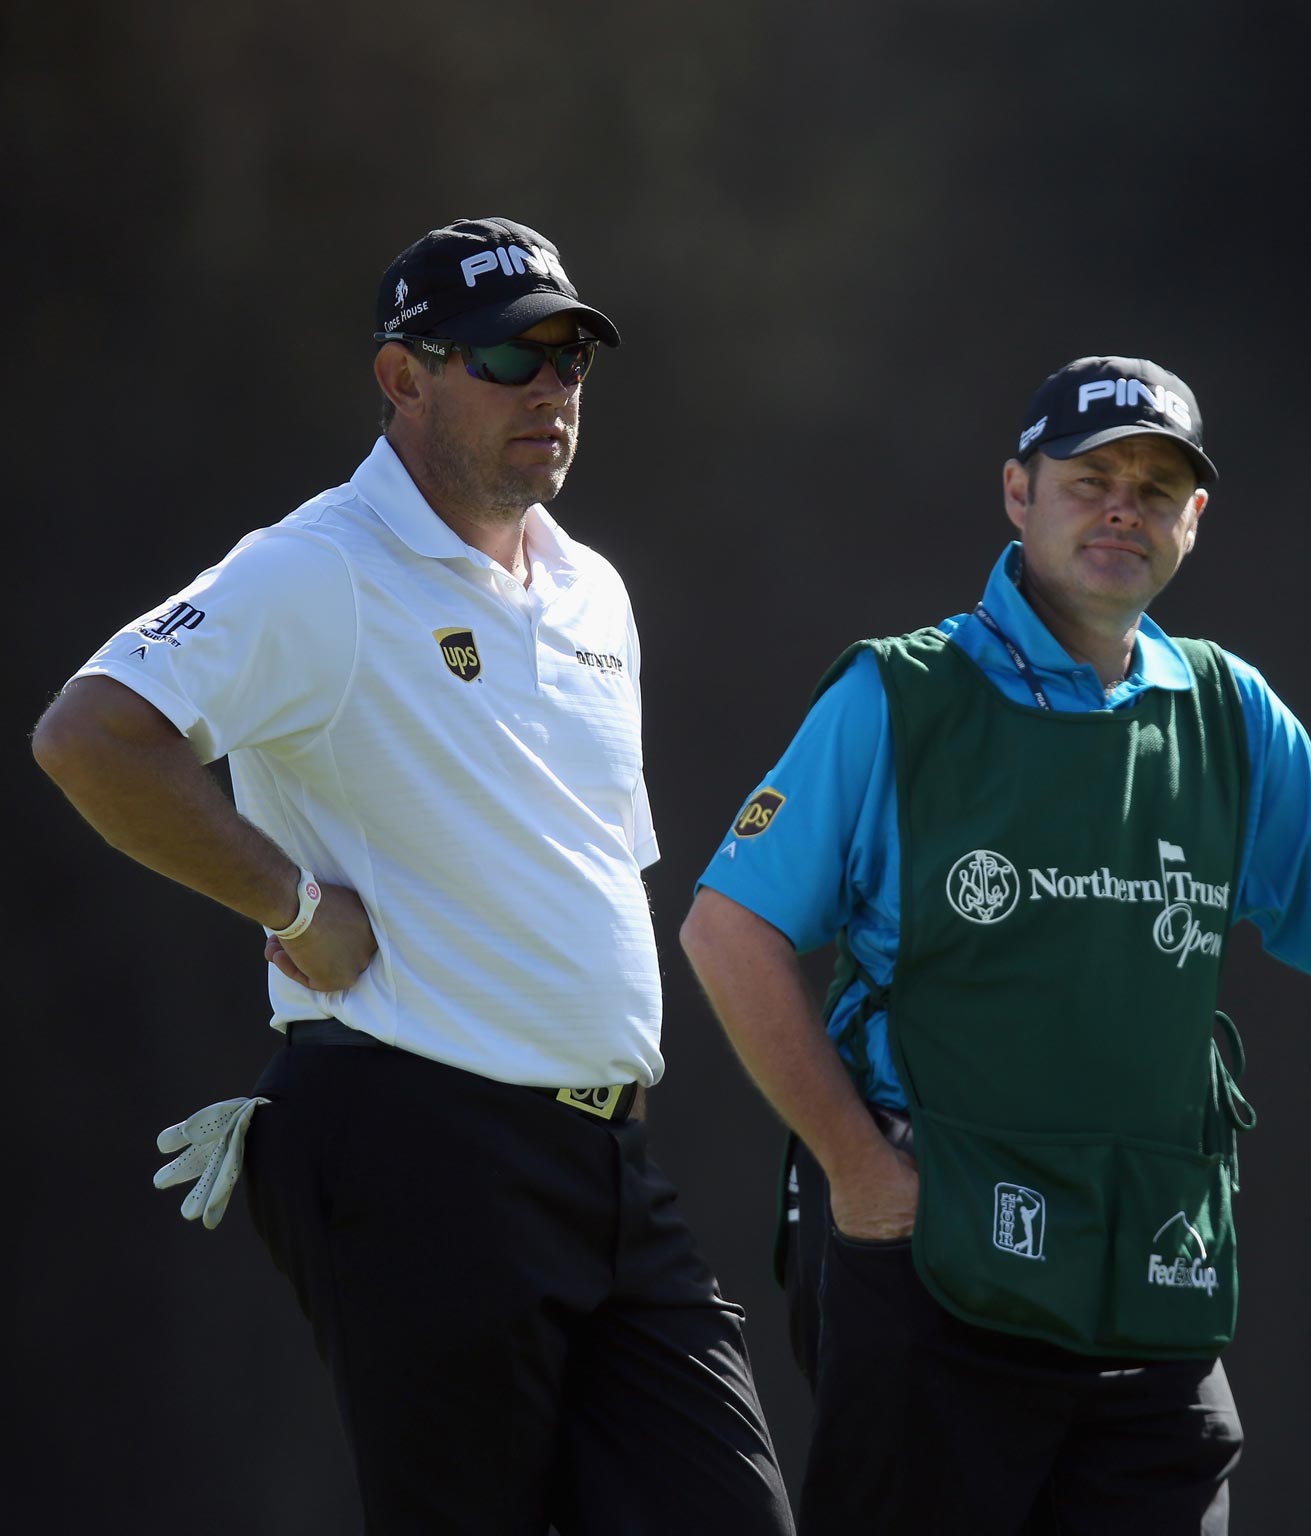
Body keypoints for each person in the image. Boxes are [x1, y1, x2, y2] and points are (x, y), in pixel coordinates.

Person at [677, 354, 1311, 1533]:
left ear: (1194, 522)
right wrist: (860, 1176)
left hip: (1152, 1291)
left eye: (1155, 484)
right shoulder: (899, 696)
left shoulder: (1227, 713)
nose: (1122, 506)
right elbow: (727, 930)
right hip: (939, 1275)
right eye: (1089, 479)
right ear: (1018, 495)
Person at [31, 216, 794, 1536]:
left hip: (606, 1161)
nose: (551, 387)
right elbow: (90, 736)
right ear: (404, 376)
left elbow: (590, 868)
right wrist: (289, 903)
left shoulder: (593, 589)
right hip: (420, 1141)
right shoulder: (319, 565)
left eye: (571, 357)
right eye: (510, 357)